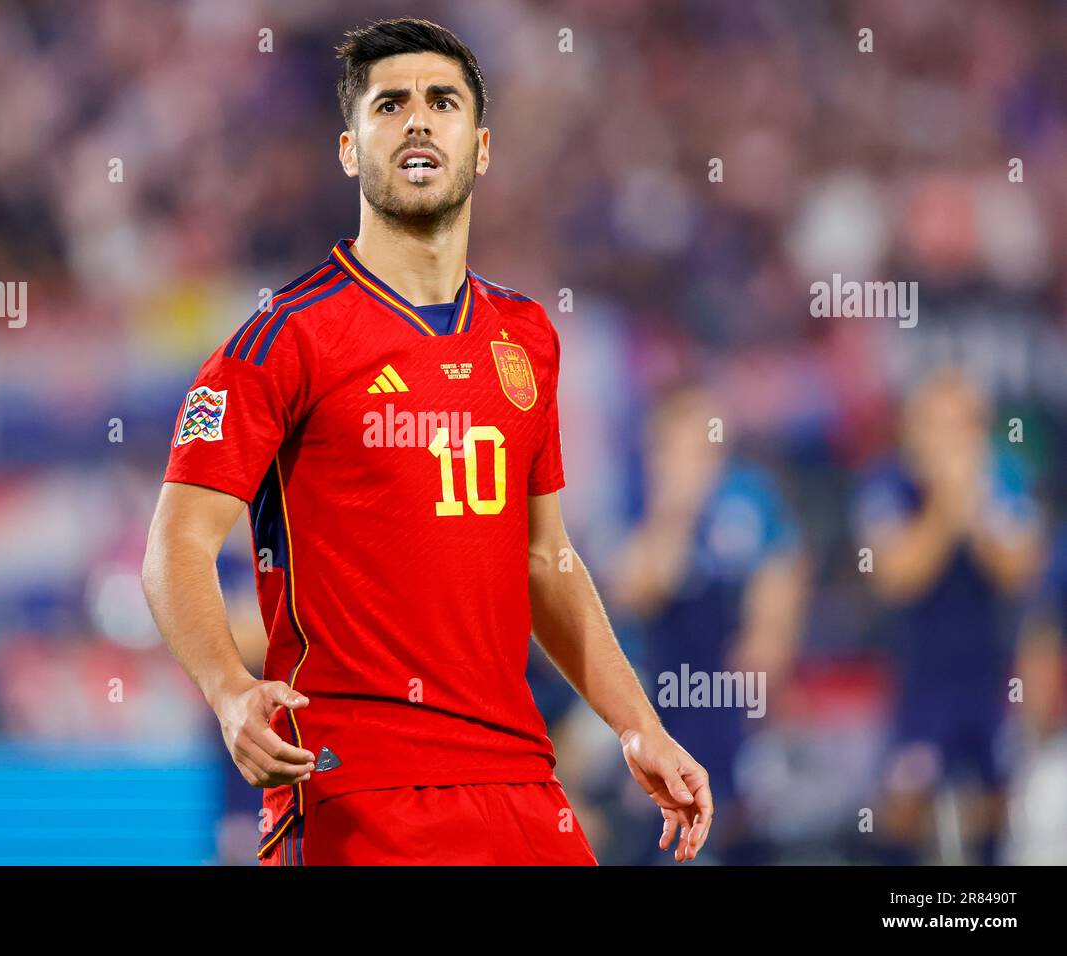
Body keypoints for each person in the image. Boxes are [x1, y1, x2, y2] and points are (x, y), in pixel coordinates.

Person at [141, 17, 713, 865]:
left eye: (441, 101)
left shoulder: (525, 337)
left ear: (480, 147)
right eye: (389, 104)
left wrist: (638, 728)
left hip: (521, 780)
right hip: (355, 784)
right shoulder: (282, 339)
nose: (416, 119)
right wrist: (230, 692)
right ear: (349, 148)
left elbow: (544, 560)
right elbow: (175, 548)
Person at [609, 385, 808, 862]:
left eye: (706, 448)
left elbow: (781, 588)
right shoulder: (634, 499)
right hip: (646, 694)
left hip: (724, 695)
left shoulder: (749, 499)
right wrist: (676, 510)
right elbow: (636, 589)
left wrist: (768, 636)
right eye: (681, 449)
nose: (697, 462)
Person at [855, 368, 1044, 865]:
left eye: (961, 426)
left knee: (996, 806)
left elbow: (1019, 568)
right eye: (934, 426)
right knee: (903, 807)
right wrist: (946, 507)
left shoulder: (1006, 479)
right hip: (918, 683)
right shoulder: (888, 486)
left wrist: (975, 507)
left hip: (989, 681)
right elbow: (897, 575)